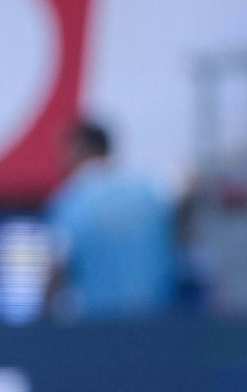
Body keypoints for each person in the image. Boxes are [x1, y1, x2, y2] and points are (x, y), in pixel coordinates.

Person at [43, 120, 178, 321]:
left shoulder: (70, 200)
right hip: (159, 325)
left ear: (80, 149)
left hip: (101, 331)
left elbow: (56, 272)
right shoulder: (151, 188)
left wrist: (42, 323)